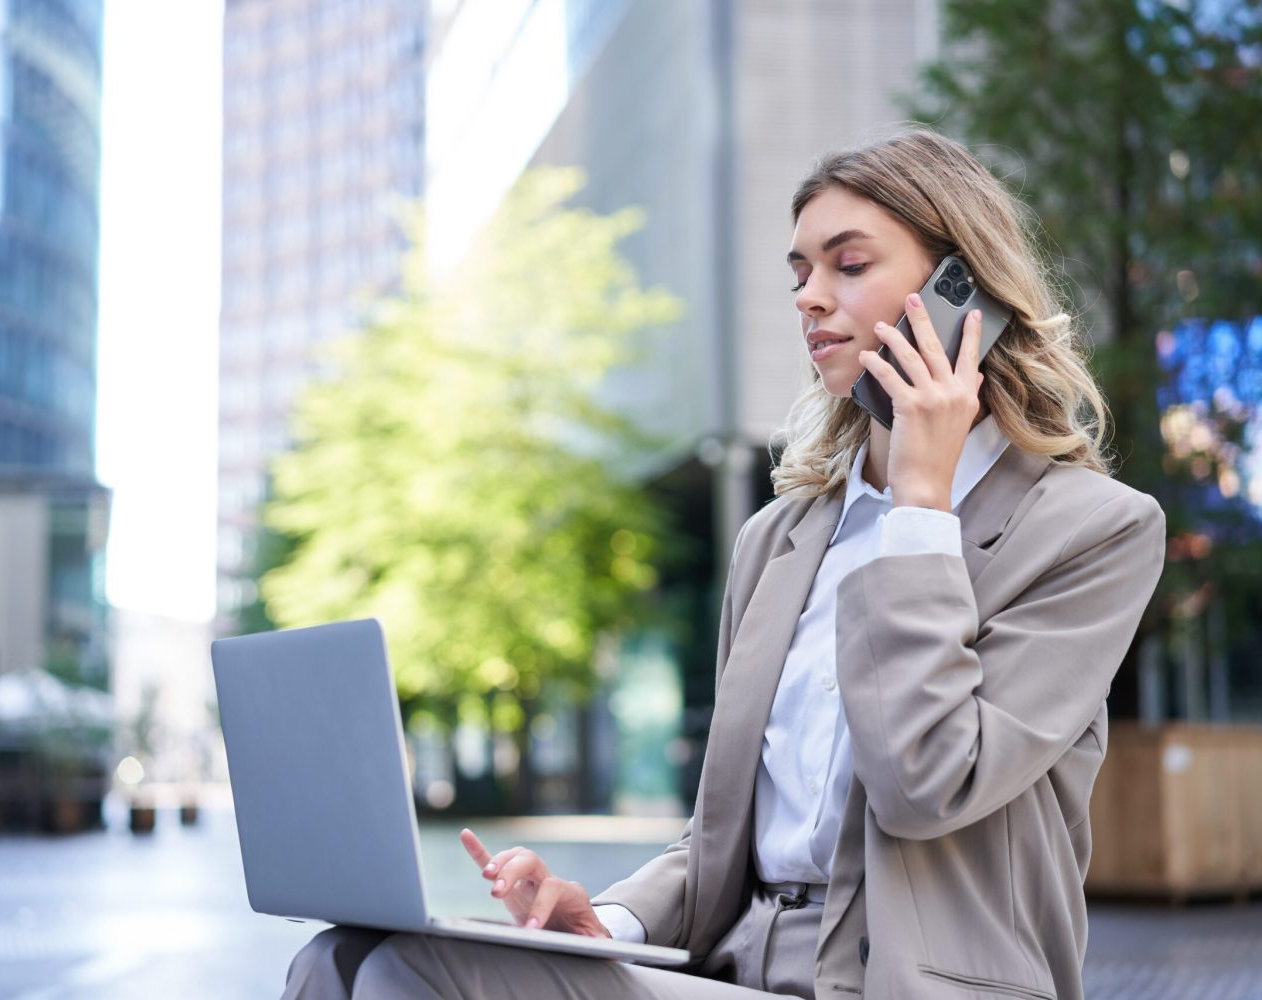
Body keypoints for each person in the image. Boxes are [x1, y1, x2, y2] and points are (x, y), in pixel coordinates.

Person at [281, 128, 1166, 999]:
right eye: (800, 274)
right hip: (733, 971)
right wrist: (607, 921)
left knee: (396, 973)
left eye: (848, 265)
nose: (809, 298)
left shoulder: (1093, 532)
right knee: (349, 956)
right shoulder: (778, 540)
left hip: (914, 986)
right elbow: (723, 838)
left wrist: (921, 509)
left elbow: (927, 783)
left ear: (961, 289)